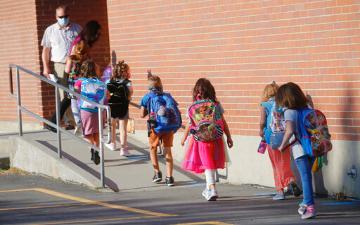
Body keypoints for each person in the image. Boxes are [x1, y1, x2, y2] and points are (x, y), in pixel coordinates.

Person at [181, 78, 233, 201]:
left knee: (207, 163)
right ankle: (208, 188)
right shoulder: (215, 104)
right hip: (216, 137)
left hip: (200, 139)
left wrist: (183, 138)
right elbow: (223, 122)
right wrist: (229, 136)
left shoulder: (193, 107)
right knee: (211, 163)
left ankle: (212, 188)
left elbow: (190, 124)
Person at [276, 82, 316, 220]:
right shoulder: (308, 107)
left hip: (300, 149)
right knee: (306, 176)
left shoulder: (289, 111)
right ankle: (305, 202)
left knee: (305, 177)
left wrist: (282, 146)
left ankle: (309, 207)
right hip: (313, 147)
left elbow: (290, 131)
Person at [41, 5, 82, 130]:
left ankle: (72, 121)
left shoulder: (77, 28)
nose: (63, 19)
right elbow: (46, 51)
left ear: (69, 16)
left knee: (75, 93)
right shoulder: (50, 30)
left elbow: (84, 47)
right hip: (59, 65)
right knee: (65, 95)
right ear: (56, 17)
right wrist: (46, 67)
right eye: (60, 17)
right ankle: (69, 121)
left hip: (76, 65)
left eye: (65, 16)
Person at [259, 82, 301, 200]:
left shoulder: (265, 104)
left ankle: (280, 191)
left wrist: (261, 131)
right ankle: (291, 181)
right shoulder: (283, 104)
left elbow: (262, 122)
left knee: (276, 165)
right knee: (284, 163)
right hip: (285, 138)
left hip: (271, 138)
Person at [140, 73, 182, 187]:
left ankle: (157, 173)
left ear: (149, 86)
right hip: (168, 127)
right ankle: (169, 178)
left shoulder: (147, 97)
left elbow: (141, 115)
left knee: (153, 149)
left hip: (155, 127)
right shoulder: (167, 96)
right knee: (168, 151)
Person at [65, 20, 102, 134]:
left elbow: (67, 69)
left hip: (73, 79)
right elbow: (89, 61)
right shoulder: (83, 44)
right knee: (84, 100)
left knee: (74, 101)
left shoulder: (75, 48)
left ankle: (79, 122)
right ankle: (86, 121)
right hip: (85, 79)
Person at [75, 60, 105, 165]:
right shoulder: (99, 82)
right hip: (98, 110)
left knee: (87, 133)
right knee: (96, 132)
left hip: (85, 110)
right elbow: (107, 96)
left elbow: (75, 92)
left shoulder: (80, 81)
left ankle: (92, 149)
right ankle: (96, 150)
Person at [105, 60, 133, 156]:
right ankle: (123, 149)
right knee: (123, 128)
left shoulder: (109, 81)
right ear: (125, 72)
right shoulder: (128, 83)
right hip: (123, 107)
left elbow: (107, 95)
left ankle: (113, 143)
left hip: (112, 106)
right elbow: (130, 94)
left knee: (112, 125)